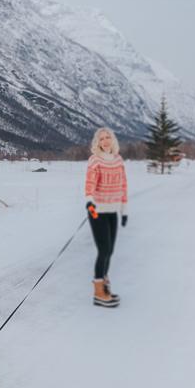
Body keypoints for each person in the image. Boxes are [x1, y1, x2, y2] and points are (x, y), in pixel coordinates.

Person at [84, 127, 128, 307]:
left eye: (107, 137)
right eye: (101, 139)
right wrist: (89, 201)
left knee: (110, 251)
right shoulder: (95, 160)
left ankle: (105, 283)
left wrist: (124, 211)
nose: (105, 141)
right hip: (97, 210)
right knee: (103, 250)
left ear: (112, 139)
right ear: (98, 143)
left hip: (113, 210)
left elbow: (123, 186)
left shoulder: (118, 160)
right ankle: (98, 292)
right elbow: (89, 184)